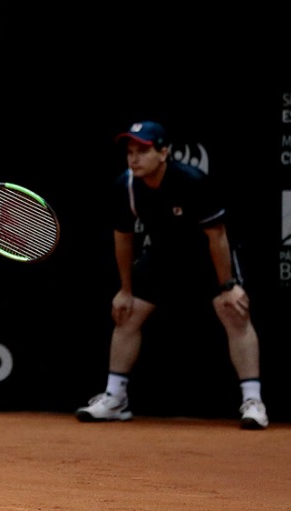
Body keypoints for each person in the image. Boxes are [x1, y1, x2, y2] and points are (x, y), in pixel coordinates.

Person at [75, 120, 269, 430]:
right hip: (163, 255)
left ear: (164, 152)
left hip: (207, 255)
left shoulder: (192, 181)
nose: (134, 158)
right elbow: (123, 238)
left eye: (143, 151)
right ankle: (115, 398)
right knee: (127, 313)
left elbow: (217, 236)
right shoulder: (125, 186)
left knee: (233, 311)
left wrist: (227, 286)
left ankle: (253, 401)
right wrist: (125, 289)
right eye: (130, 152)